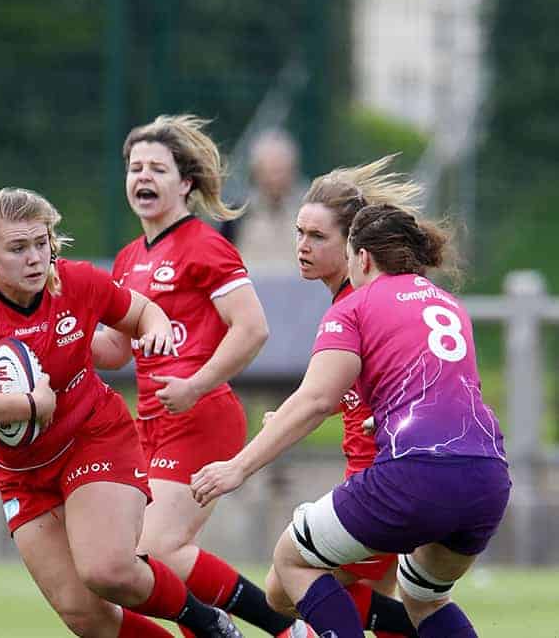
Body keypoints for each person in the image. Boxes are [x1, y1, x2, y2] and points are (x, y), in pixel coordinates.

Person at [0, 187, 244, 638]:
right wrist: (29, 405)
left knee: (107, 570)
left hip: (93, 439)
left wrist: (154, 332)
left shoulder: (75, 281)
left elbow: (143, 312)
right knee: (85, 615)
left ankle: (205, 620)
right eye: (18, 248)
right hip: (22, 472)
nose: (36, 258)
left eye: (42, 242)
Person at [191, 203, 511, 637]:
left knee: (290, 561)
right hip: (487, 477)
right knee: (424, 596)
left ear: (360, 258)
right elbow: (441, 394)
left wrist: (237, 468)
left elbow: (317, 399)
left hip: (414, 476)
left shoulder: (355, 306)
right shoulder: (448, 304)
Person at [93, 115, 316, 638]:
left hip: (200, 416)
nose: (142, 177)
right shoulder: (128, 259)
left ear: (186, 184)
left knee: (156, 550)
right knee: (131, 563)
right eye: (134, 168)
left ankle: (286, 629)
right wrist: (59, 332)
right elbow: (115, 349)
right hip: (150, 422)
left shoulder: (205, 245)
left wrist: (195, 383)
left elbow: (252, 329)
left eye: (157, 168)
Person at [263, 156, 421, 638]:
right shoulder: (352, 299)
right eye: (299, 233)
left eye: (317, 237)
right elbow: (358, 381)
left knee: (283, 587)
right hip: (381, 472)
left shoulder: (359, 303)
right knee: (385, 599)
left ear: (353, 244)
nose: (302, 247)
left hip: (379, 477)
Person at [221, 128, 308, 274]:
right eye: (270, 170)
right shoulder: (237, 215)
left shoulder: (309, 212)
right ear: (256, 171)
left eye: (280, 170)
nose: (275, 178)